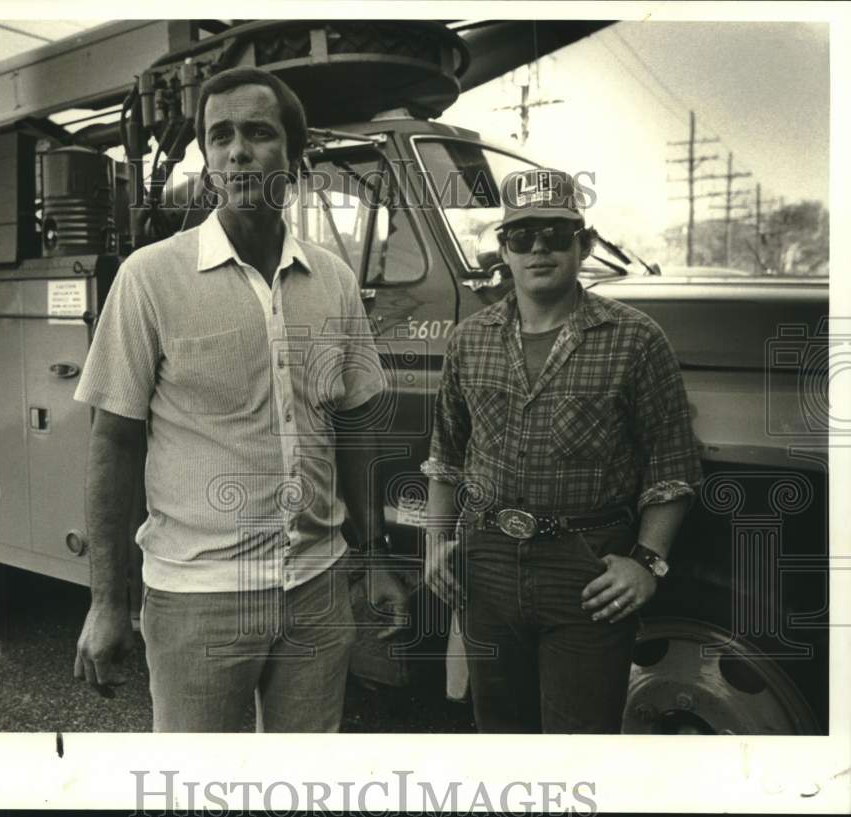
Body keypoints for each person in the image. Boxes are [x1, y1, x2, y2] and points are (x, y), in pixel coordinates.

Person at [72, 66, 408, 732]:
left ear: (295, 154)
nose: (236, 151)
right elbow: (113, 441)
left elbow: (357, 425)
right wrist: (108, 602)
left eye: (258, 132)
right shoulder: (151, 277)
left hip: (318, 590)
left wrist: (373, 561)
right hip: (199, 602)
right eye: (218, 136)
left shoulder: (334, 280)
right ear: (205, 158)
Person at [422, 168, 702, 733]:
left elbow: (672, 467)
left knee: (580, 748)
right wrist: (434, 542)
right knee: (502, 738)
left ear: (585, 243)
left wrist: (647, 561)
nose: (539, 248)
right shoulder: (469, 339)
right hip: (489, 564)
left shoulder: (636, 338)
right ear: (504, 248)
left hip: (587, 569)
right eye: (522, 236)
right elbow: (446, 456)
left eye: (556, 232)